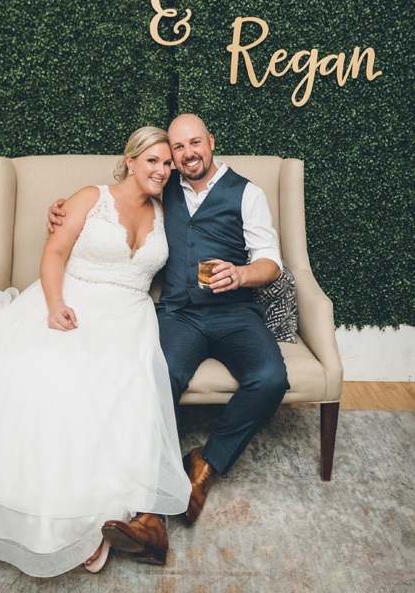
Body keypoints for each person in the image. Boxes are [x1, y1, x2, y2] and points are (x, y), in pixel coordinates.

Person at [0, 127, 191, 577]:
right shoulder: (90, 197)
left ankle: (100, 518)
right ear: (130, 160)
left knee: (118, 388)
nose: (162, 171)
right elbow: (54, 254)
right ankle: (52, 516)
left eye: (168, 164)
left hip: (129, 318)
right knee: (45, 376)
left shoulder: (168, 212)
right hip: (70, 301)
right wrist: (55, 305)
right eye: (153, 161)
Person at [48, 114, 289, 561]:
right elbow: (114, 205)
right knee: (158, 380)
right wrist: (62, 209)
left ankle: (206, 462)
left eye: (195, 143)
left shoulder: (248, 193)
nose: (186, 154)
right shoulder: (163, 187)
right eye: (178, 148)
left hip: (236, 312)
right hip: (179, 314)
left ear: (211, 142)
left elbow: (270, 262)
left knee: (271, 378)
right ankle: (148, 515)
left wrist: (241, 274)